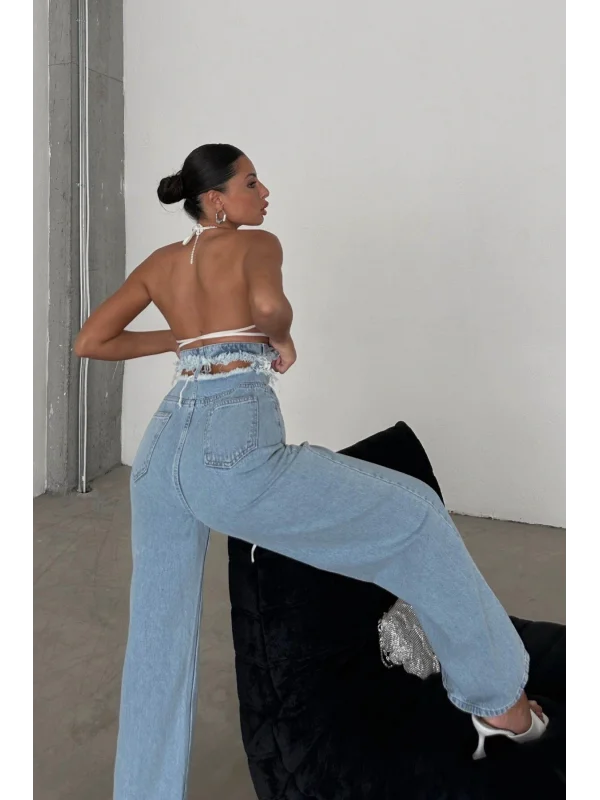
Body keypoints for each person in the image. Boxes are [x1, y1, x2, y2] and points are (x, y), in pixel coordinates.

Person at [75, 143, 548, 799]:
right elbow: (270, 308)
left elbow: (90, 341)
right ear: (215, 199)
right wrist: (278, 334)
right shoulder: (256, 244)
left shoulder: (160, 263)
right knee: (416, 514)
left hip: (162, 449)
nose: (264, 192)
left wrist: (185, 338)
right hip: (229, 448)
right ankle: (500, 706)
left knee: (157, 638)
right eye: (250, 182)